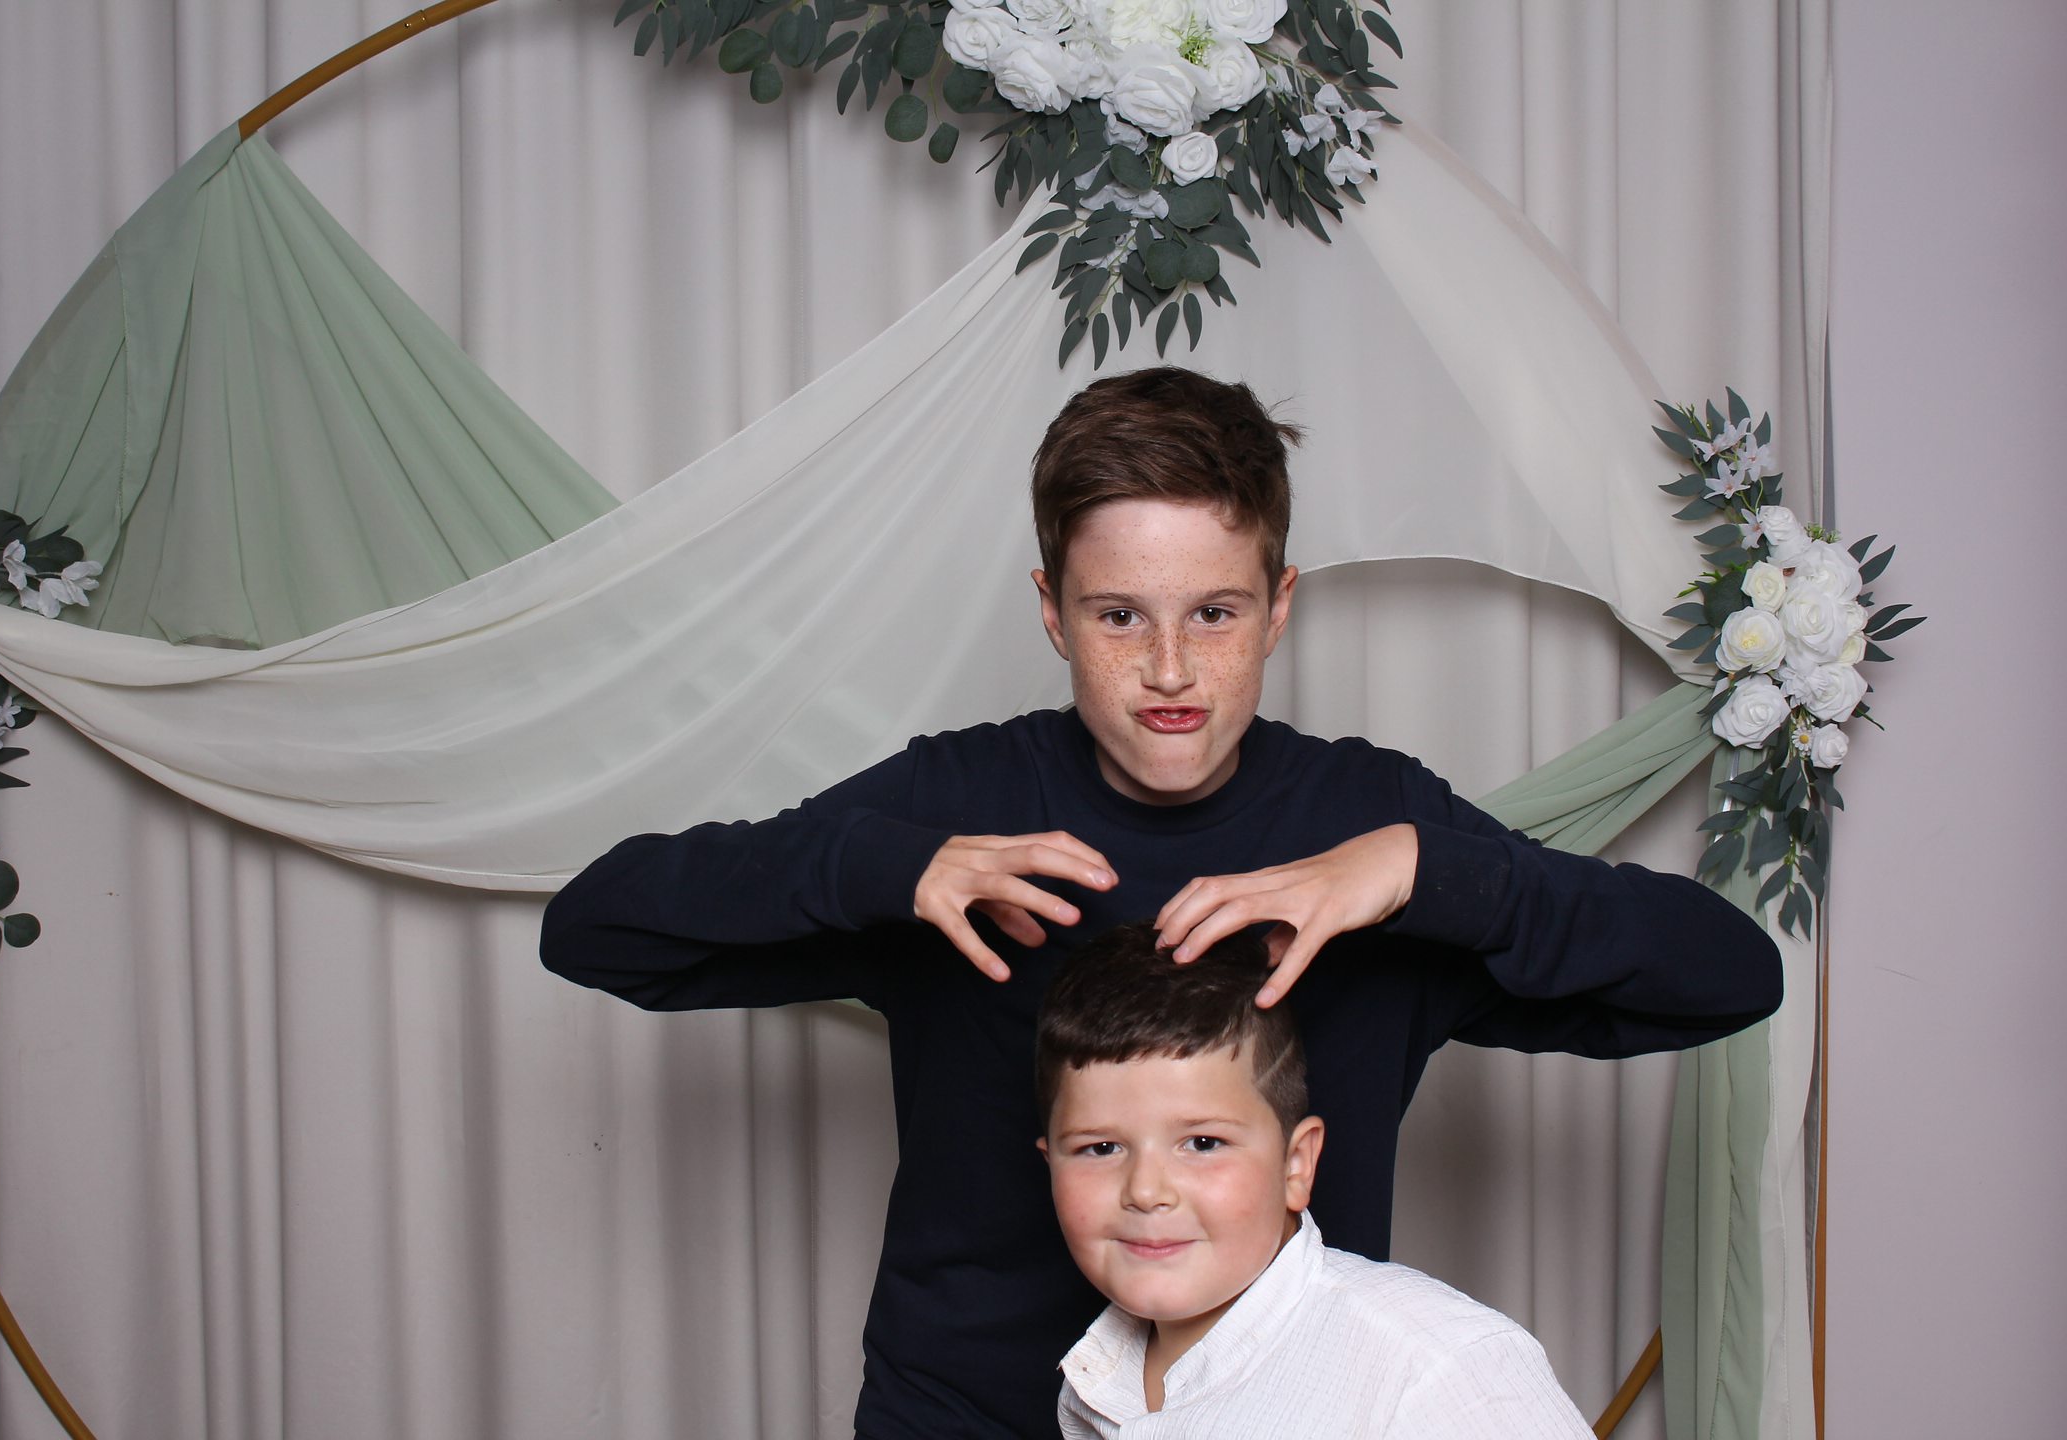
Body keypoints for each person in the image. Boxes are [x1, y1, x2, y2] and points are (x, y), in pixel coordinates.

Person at [541, 366, 1781, 1439]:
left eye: (1216, 614)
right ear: (1051, 612)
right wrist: (885, 870)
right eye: (1120, 616)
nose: (1172, 670)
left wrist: (1424, 870)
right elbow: (598, 927)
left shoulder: (1370, 823)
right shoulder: (954, 803)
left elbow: (1729, 976)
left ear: (1279, 608)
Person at [1038, 921, 1595, 1438]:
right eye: (1100, 1148)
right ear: (1051, 1167)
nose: (1145, 1191)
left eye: (1203, 1143)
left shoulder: (1434, 1370)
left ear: (1296, 1164)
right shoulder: (1096, 1379)